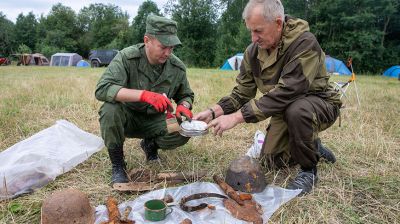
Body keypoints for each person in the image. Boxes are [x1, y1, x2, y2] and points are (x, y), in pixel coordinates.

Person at [194, 0, 342, 196]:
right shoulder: (253, 52)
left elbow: (288, 92)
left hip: (318, 104)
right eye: (250, 31)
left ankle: (309, 170)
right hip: (284, 108)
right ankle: (312, 145)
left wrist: (237, 117)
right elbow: (242, 92)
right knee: (272, 161)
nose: (253, 38)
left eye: (258, 31)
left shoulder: (304, 43)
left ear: (278, 23)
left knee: (298, 110)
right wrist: (213, 112)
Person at [95, 14, 194, 184]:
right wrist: (143, 95)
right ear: (147, 40)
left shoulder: (177, 67)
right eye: (163, 47)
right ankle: (118, 165)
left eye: (172, 48)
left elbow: (185, 95)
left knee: (182, 131)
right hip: (128, 116)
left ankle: (150, 146)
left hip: (157, 119)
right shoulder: (127, 58)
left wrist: (184, 105)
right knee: (109, 110)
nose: (168, 53)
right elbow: (103, 89)